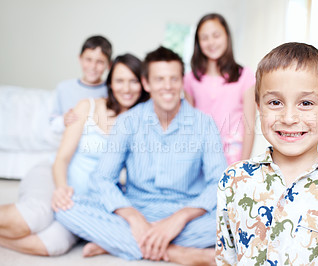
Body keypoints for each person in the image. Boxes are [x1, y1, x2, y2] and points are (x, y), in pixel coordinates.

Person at [55, 46, 227, 265]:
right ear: (146, 83)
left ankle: (118, 242)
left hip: (187, 212)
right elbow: (102, 178)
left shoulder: (204, 124)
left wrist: (179, 218)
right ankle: (178, 253)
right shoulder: (128, 122)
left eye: (173, 79)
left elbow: (219, 183)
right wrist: (134, 217)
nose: (167, 87)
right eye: (159, 79)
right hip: (136, 210)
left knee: (237, 218)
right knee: (66, 209)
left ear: (182, 82)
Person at [216, 42, 318, 265]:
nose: (289, 118)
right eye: (275, 102)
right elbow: (226, 257)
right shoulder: (233, 181)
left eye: (306, 103)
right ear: (259, 108)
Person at [0, 53, 149, 256]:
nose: (126, 88)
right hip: (55, 177)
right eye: (120, 80)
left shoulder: (143, 122)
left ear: (143, 84)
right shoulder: (87, 107)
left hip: (85, 200)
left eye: (133, 81)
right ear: (111, 83)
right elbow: (62, 158)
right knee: (32, 219)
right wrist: (61, 189)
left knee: (53, 245)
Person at [184, 13, 256, 165]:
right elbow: (188, 123)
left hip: (234, 157)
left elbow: (249, 125)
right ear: (198, 42)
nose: (211, 42)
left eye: (216, 35)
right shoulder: (190, 79)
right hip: (201, 157)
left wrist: (243, 165)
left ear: (226, 36)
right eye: (204, 38)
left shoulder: (245, 76)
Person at [50, 35, 112, 133]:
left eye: (100, 62)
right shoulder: (64, 88)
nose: (93, 66)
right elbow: (52, 124)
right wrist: (63, 120)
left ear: (109, 65)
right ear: (80, 58)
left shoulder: (112, 90)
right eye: (88, 59)